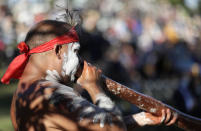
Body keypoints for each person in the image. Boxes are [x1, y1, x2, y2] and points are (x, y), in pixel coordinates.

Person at [1, 20, 177, 131]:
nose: (80, 61)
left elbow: (89, 125)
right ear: (57, 51)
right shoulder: (53, 94)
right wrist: (94, 87)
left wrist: (142, 118)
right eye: (75, 52)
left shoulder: (24, 91)